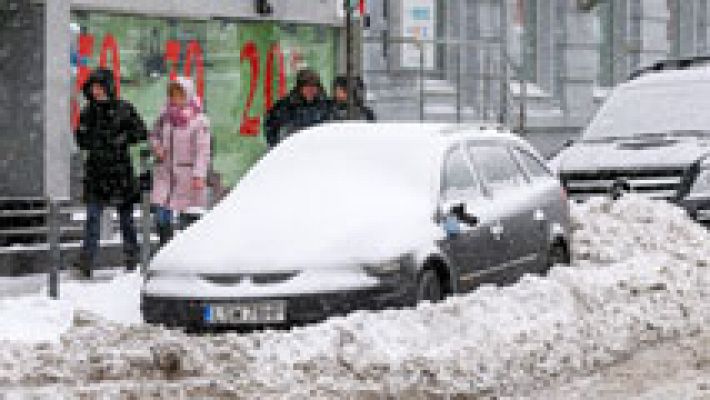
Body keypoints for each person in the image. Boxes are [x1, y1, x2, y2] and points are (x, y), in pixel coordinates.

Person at [75, 68, 147, 278]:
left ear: (108, 87)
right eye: (93, 87)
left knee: (126, 219)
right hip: (97, 172)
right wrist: (83, 135)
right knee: (93, 218)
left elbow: (140, 132)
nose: (96, 91)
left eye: (99, 87)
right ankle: (86, 260)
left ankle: (132, 259)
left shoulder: (124, 109)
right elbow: (82, 140)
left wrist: (123, 138)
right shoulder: (88, 112)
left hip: (120, 172)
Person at [150, 77, 211, 246]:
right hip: (165, 174)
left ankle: (186, 252)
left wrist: (199, 175)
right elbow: (154, 134)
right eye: (173, 95)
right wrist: (157, 148)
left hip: (187, 174)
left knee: (189, 217)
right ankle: (165, 249)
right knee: (162, 216)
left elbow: (203, 150)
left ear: (188, 95)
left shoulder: (199, 121)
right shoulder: (164, 117)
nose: (176, 99)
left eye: (180, 95)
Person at [264, 68, 331, 148]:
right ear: (300, 88)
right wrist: (278, 148)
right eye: (307, 87)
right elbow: (270, 126)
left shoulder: (326, 106)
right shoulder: (285, 106)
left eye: (314, 86)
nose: (311, 90)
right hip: (293, 151)